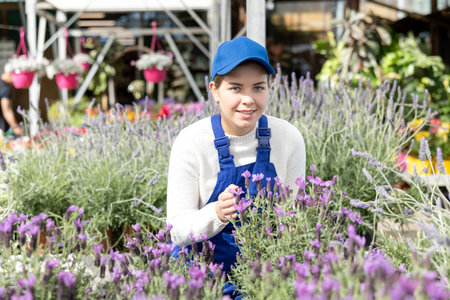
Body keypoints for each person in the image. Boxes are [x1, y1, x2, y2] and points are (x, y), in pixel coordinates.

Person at [166, 36, 306, 297]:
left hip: (264, 277)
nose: (248, 99)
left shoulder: (287, 137)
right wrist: (216, 214)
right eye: (236, 88)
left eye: (258, 87)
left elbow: (293, 222)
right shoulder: (191, 142)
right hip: (201, 278)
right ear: (215, 90)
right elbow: (177, 231)